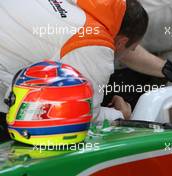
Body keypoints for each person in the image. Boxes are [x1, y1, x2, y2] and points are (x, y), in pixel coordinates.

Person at [0, 0, 148, 124]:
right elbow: (84, 115)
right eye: (132, 49)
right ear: (122, 42)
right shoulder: (96, 43)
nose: (129, 54)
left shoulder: (71, 8)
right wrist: (120, 115)